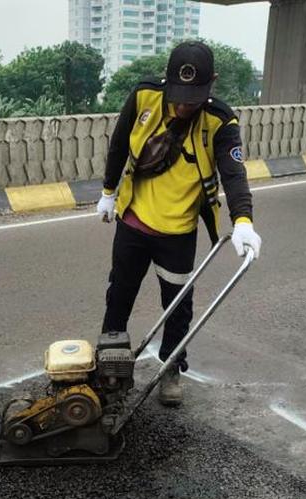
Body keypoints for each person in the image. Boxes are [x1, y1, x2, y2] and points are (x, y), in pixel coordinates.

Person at [96, 41, 261, 407]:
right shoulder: (144, 96)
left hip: (178, 233)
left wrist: (244, 221)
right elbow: (119, 144)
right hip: (133, 223)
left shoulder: (220, 121)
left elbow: (234, 175)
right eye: (179, 96)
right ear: (167, 80)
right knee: (119, 295)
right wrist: (109, 192)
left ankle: (171, 366)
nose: (185, 105)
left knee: (178, 306)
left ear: (212, 84)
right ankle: (109, 366)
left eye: (194, 97)